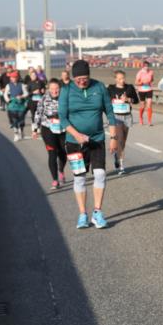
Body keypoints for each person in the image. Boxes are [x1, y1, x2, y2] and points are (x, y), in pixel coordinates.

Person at [59, 60, 118, 229]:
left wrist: (113, 137)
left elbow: (110, 113)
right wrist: (77, 135)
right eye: (78, 79)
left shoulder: (99, 87)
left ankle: (97, 213)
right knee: (80, 178)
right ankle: (83, 214)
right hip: (74, 142)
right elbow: (63, 118)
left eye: (84, 78)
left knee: (100, 174)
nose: (81, 82)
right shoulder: (66, 90)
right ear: (73, 78)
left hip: (97, 139)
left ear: (89, 75)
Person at [35, 79, 67, 190]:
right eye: (52, 88)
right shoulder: (44, 98)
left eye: (56, 88)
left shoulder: (65, 98)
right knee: (52, 153)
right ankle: (55, 179)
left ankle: (61, 170)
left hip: (62, 129)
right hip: (47, 128)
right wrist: (35, 129)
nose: (54, 91)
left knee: (63, 152)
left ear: (60, 89)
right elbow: (38, 113)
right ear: (48, 88)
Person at [106, 70, 139, 174]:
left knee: (123, 141)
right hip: (116, 117)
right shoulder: (110, 88)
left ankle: (117, 155)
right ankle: (121, 166)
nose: (122, 80)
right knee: (119, 139)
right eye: (119, 79)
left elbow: (136, 100)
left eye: (123, 78)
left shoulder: (129, 88)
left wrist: (128, 99)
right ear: (115, 79)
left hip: (127, 116)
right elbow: (105, 100)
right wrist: (111, 101)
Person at [3, 70, 29, 141]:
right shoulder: (8, 85)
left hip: (21, 105)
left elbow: (26, 93)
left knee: (21, 120)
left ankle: (21, 131)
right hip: (12, 104)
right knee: (14, 119)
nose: (13, 78)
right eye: (12, 77)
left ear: (17, 78)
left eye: (14, 77)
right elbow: (5, 94)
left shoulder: (22, 85)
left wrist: (21, 96)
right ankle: (16, 134)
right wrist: (8, 100)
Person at [134, 60, 156, 125]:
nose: (146, 67)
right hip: (141, 90)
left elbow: (152, 80)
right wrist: (141, 83)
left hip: (149, 89)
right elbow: (136, 82)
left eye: (147, 66)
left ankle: (149, 121)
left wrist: (151, 83)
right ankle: (141, 118)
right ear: (143, 66)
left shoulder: (151, 72)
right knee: (142, 106)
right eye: (145, 66)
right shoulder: (139, 73)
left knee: (149, 105)